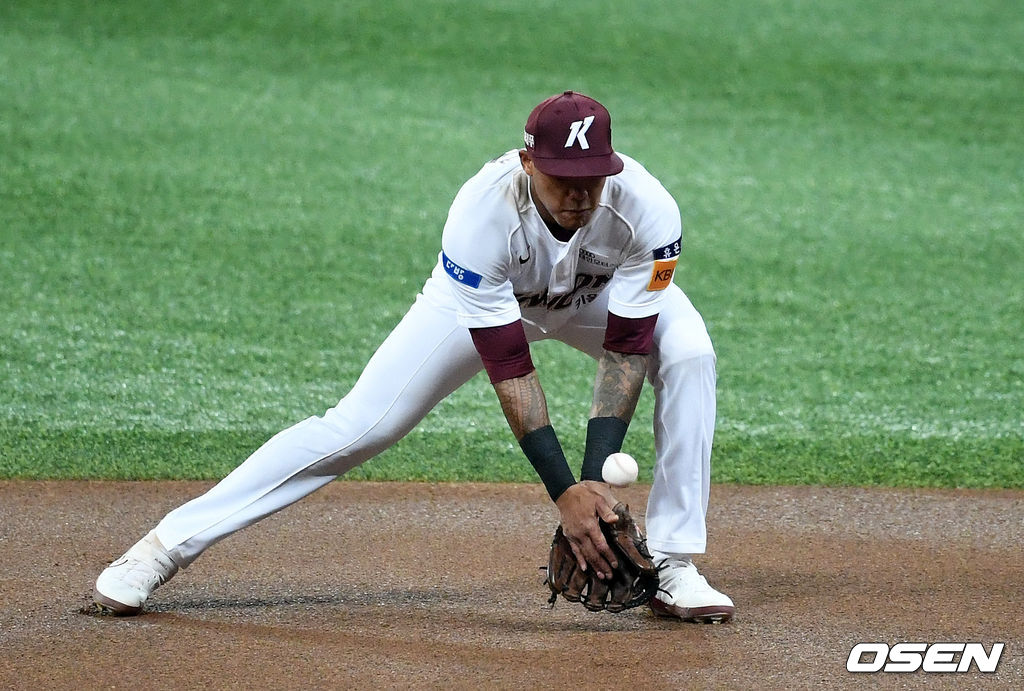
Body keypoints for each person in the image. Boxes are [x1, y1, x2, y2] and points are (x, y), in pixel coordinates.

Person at [94, 91, 735, 623]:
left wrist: (595, 480)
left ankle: (673, 562)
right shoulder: (482, 215)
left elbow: (625, 347)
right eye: (563, 180)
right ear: (527, 162)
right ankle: (161, 549)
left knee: (688, 353)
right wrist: (565, 493)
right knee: (361, 426)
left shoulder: (648, 210)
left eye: (592, 179)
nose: (579, 194)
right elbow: (510, 366)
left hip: (595, 301)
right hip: (480, 305)